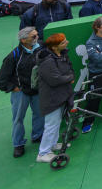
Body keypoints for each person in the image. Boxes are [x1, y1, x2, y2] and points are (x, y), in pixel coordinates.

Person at [0, 27, 43, 158]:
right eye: (33, 36)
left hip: (37, 90)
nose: (37, 38)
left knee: (39, 114)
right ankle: (18, 144)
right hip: (21, 92)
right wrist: (14, 88)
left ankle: (38, 136)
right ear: (23, 40)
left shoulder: (40, 49)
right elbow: (1, 80)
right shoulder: (13, 56)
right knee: (18, 119)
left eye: (37, 35)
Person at [34, 33, 75, 163]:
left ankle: (52, 145)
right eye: (63, 42)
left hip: (61, 95)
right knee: (51, 125)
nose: (67, 42)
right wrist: (70, 78)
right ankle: (43, 153)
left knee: (56, 123)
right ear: (55, 47)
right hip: (52, 98)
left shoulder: (61, 55)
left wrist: (69, 76)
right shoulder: (48, 62)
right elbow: (54, 79)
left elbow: (68, 69)